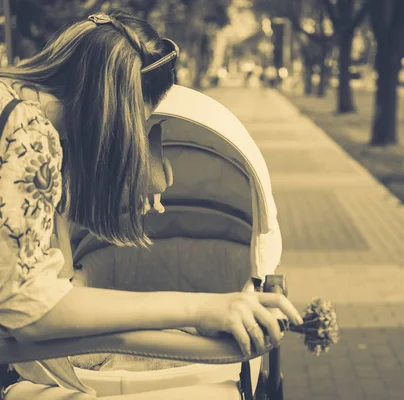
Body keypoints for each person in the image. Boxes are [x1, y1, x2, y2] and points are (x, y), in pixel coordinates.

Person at [0, 9, 302, 393]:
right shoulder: (30, 138)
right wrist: (206, 307)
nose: (131, 147)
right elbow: (32, 310)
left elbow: (42, 270)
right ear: (115, 116)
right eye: (133, 130)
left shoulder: (10, 104)